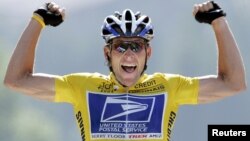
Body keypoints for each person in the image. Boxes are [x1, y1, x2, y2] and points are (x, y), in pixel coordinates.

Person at [4, 1, 246, 141]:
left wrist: (219, 22)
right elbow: (16, 80)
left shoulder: (170, 87)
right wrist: (37, 21)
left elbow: (233, 83)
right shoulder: (82, 86)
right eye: (120, 46)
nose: (129, 54)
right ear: (107, 54)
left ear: (147, 54)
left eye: (136, 46)